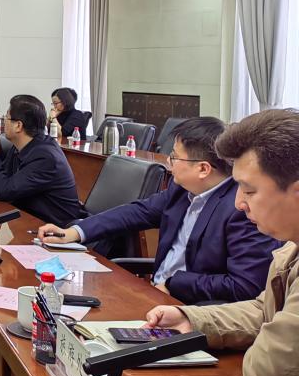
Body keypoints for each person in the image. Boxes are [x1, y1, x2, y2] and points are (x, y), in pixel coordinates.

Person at [145, 110, 299, 376]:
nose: (239, 203)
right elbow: (263, 310)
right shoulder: (291, 249)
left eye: (250, 191)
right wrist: (191, 319)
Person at [38, 117, 278, 304]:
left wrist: (174, 285)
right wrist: (75, 231)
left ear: (203, 169)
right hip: (155, 294)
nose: (169, 163)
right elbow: (138, 212)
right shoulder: (181, 189)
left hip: (191, 308)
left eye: (175, 157)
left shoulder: (242, 210)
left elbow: (243, 286)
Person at [0, 95, 85, 226]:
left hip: (55, 229)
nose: (3, 121)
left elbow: (5, 191)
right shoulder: (20, 147)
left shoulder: (45, 157)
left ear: (18, 126)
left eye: (6, 117)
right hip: (29, 221)